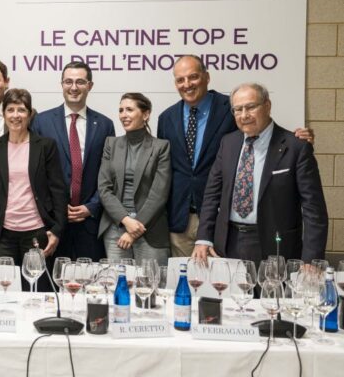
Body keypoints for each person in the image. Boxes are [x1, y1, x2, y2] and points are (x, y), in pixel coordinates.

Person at [157, 54, 314, 258]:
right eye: (180, 79)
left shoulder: (232, 108)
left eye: (193, 77)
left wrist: (297, 138)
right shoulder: (166, 118)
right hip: (180, 219)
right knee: (184, 276)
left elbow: (260, 132)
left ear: (207, 77)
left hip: (222, 220)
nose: (187, 84)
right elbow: (165, 168)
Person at [194, 83, 328, 264]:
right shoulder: (228, 143)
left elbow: (314, 210)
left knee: (271, 285)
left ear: (267, 106)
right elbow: (212, 194)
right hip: (226, 243)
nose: (244, 115)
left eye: (251, 107)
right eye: (238, 109)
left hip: (276, 246)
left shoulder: (296, 147)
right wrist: (203, 238)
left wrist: (311, 259)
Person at [31, 62, 115, 261]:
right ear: (61, 84)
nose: (74, 87)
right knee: (52, 278)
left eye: (80, 82)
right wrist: (57, 208)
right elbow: (36, 174)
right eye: (68, 81)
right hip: (52, 225)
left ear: (90, 86)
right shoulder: (41, 122)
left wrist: (92, 206)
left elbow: (110, 172)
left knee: (89, 277)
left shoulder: (105, 125)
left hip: (90, 224)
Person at [0, 89, 66, 268]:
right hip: (2, 235)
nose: (15, 115)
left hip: (37, 232)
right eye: (10, 110)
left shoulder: (45, 146)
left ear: (30, 114)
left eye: (21, 110)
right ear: (4, 114)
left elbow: (58, 191)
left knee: (35, 283)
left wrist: (57, 230)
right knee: (3, 284)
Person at [98, 93, 171, 266]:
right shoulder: (111, 144)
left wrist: (133, 230)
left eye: (129, 110)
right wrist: (125, 219)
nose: (123, 115)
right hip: (115, 226)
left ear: (145, 114)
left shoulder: (161, 146)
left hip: (150, 228)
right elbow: (104, 188)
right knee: (119, 281)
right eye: (121, 110)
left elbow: (159, 194)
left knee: (150, 281)